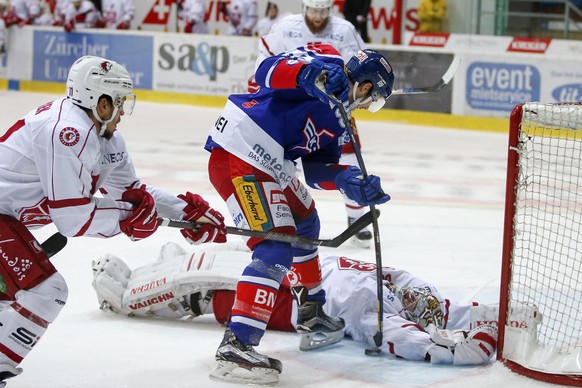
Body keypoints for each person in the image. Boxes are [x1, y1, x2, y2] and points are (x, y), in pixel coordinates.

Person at [0, 55, 227, 386]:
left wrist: (186, 212)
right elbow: (73, 218)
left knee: (11, 299)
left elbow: (132, 192)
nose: (123, 112)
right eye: (120, 103)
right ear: (100, 102)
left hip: (9, 220)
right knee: (46, 292)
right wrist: (127, 218)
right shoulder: (67, 131)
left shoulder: (106, 138)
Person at [203, 43, 393, 384]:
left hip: (273, 162)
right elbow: (266, 71)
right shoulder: (326, 64)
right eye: (373, 98)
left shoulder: (342, 118)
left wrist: (347, 180)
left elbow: (316, 170)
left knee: (306, 219)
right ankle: (237, 345)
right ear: (366, 86)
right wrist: (310, 75)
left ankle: (311, 308)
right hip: (241, 148)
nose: (368, 106)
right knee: (276, 245)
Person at [91, 241, 508, 366]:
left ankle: (129, 300)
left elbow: (425, 344)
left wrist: (481, 342)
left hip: (293, 302)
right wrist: (501, 316)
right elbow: (452, 311)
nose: (423, 302)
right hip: (302, 266)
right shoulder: (405, 286)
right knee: (237, 258)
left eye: (424, 310)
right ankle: (171, 268)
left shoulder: (378, 317)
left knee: (204, 292)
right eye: (424, 302)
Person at [254, 0, 374, 248]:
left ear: (330, 10)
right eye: (313, 10)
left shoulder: (344, 30)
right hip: (291, 106)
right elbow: (264, 58)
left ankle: (356, 218)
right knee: (285, 162)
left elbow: (362, 66)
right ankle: (284, 215)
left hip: (334, 109)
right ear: (304, 8)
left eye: (323, 11)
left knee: (350, 158)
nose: (318, 17)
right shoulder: (286, 26)